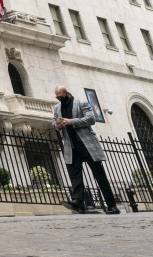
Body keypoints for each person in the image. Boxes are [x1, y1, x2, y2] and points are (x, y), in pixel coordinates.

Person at [53, 85, 120, 214]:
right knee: (75, 176)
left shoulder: (81, 103)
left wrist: (71, 121)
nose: (59, 99)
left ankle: (112, 206)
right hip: (70, 146)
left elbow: (91, 119)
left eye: (61, 96)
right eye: (57, 97)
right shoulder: (57, 108)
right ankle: (78, 202)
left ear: (67, 93)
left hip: (86, 144)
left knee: (99, 175)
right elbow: (52, 123)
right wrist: (58, 125)